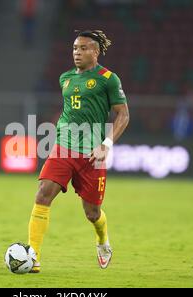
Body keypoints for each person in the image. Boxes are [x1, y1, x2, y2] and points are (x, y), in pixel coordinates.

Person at [27, 30, 130, 273]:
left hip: (92, 155)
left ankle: (103, 241)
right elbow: (70, 111)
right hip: (63, 148)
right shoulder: (65, 78)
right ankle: (33, 256)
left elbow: (123, 115)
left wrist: (106, 144)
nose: (77, 52)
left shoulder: (108, 78)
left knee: (92, 213)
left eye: (83, 48)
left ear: (96, 52)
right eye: (75, 48)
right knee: (43, 193)